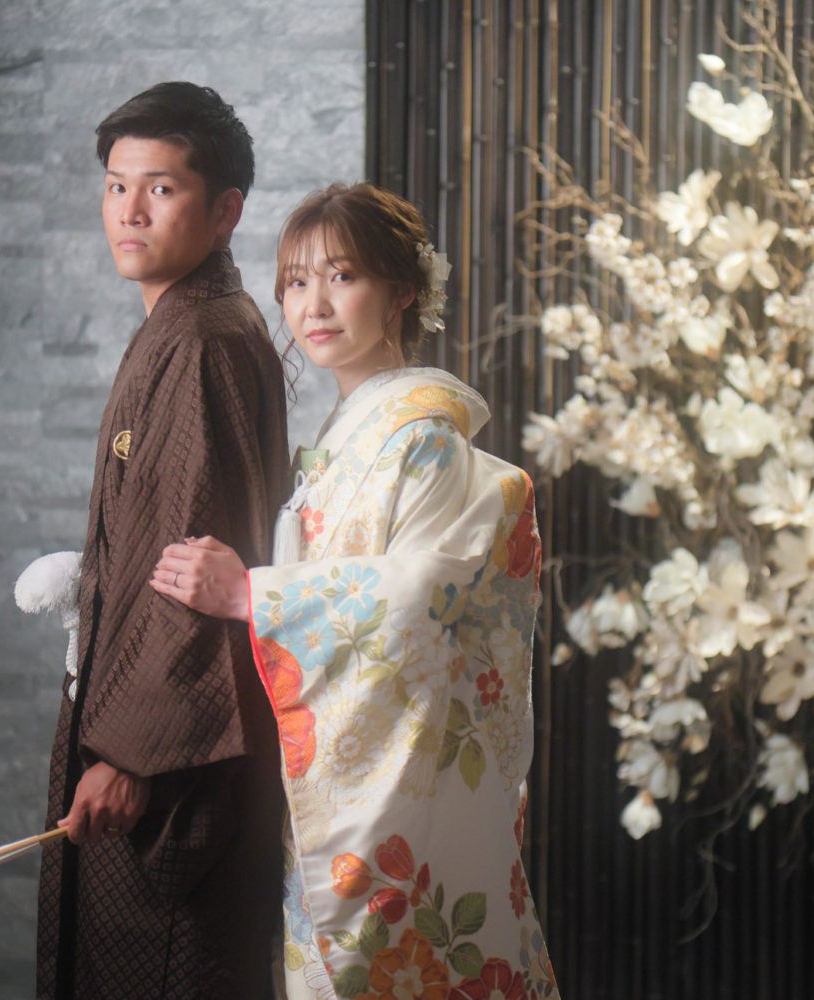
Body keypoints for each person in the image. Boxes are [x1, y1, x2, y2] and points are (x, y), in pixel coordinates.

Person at [149, 183, 560, 999]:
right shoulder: (340, 442)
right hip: (334, 775)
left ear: (401, 290)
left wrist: (255, 597)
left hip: (393, 792)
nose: (315, 305)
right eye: (296, 283)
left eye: (342, 276)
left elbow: (422, 599)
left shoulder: (425, 441)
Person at [36, 82, 290, 1000]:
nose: (129, 211)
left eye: (161, 188)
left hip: (169, 774)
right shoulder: (185, 324)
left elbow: (194, 565)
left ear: (225, 212)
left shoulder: (201, 341)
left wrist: (132, 756)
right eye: (116, 186)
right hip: (150, 743)